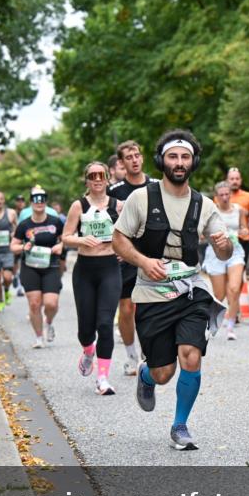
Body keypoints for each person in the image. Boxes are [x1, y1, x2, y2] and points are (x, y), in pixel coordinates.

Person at [113, 129, 232, 451]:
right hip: (152, 294)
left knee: (191, 356)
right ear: (161, 160)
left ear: (194, 162)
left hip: (191, 290)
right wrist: (142, 261)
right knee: (163, 372)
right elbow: (118, 240)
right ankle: (147, 376)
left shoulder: (203, 204)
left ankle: (180, 425)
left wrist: (223, 244)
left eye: (185, 157)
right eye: (173, 156)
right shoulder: (141, 199)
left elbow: (225, 252)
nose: (179, 162)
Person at [63, 162, 124, 395]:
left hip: (110, 268)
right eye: (92, 176)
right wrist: (81, 240)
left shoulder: (119, 206)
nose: (97, 179)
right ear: (87, 180)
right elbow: (66, 237)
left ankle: (103, 378)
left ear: (107, 178)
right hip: (85, 271)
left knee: (106, 324)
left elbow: (131, 233)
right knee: (85, 329)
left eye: (101, 175)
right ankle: (89, 350)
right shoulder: (79, 206)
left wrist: (125, 250)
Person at [109, 140, 161, 375]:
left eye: (137, 155)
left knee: (151, 308)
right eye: (129, 157)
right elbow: (105, 223)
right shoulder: (115, 191)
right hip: (127, 256)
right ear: (121, 162)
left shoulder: (157, 186)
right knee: (127, 308)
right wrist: (114, 247)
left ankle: (149, 353)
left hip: (153, 255)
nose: (134, 160)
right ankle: (132, 356)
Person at [10, 186, 65, 348]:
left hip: (51, 265)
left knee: (51, 303)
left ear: (46, 202)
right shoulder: (24, 224)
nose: (39, 202)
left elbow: (67, 238)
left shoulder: (55, 222)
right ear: (31, 202)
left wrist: (61, 246)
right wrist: (23, 247)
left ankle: (49, 322)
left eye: (42, 199)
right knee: (34, 304)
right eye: (36, 199)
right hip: (30, 266)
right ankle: (39, 338)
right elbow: (13, 246)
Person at [202, 181, 248, 339]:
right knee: (219, 295)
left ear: (230, 194)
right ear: (216, 197)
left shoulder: (238, 210)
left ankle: (230, 327)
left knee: (234, 289)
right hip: (215, 254)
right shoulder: (210, 211)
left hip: (235, 252)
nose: (225, 197)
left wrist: (243, 231)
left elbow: (244, 228)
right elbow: (202, 233)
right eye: (221, 195)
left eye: (227, 194)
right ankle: (209, 322)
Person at [226, 167, 249, 273]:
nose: (234, 181)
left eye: (237, 179)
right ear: (227, 180)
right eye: (232, 179)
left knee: (240, 271)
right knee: (225, 271)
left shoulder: (248, 197)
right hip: (225, 238)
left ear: (241, 180)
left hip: (242, 238)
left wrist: (247, 213)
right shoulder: (220, 196)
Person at [12, 194, 27, 296]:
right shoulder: (13, 213)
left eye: (22, 201)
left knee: (22, 263)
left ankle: (20, 287)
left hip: (24, 241)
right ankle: (15, 276)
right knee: (14, 263)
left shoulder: (27, 212)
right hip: (15, 240)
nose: (20, 203)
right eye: (18, 201)